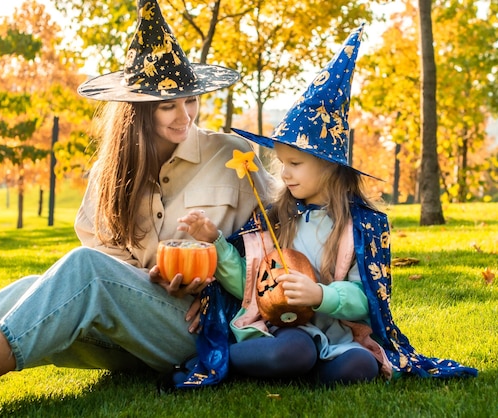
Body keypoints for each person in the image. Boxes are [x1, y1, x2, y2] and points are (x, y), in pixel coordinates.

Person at [0, 1, 274, 415]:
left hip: (201, 329)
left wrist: (217, 288)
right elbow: (104, 264)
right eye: (167, 105)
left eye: (189, 100)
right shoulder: (111, 172)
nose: (185, 116)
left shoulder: (233, 156)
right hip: (130, 328)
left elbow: (280, 241)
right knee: (30, 285)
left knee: (83, 268)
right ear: (137, 110)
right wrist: (147, 277)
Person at [169, 25, 478, 389]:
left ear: (329, 164)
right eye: (281, 163)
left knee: (361, 363)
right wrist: (216, 242)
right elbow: (249, 284)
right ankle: (221, 361)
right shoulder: (276, 218)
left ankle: (310, 368)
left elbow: (365, 299)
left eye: (295, 164)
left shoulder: (359, 227)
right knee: (295, 349)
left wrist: (321, 296)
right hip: (278, 330)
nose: (284, 174)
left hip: (335, 333)